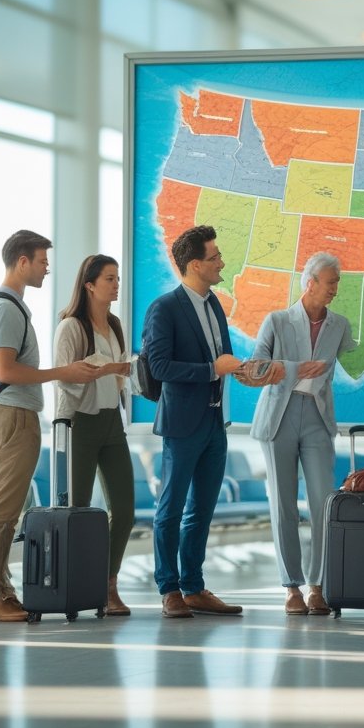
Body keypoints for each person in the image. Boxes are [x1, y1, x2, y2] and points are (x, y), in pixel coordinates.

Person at [0, 230, 102, 622]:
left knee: (9, 509)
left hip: (16, 416)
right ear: (22, 261)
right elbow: (5, 370)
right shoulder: (5, 309)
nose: (48, 268)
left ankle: (2, 589)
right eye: (43, 261)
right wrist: (63, 372)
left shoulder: (13, 307)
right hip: (10, 416)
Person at [142, 225, 253, 618]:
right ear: (194, 264)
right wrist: (210, 370)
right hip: (182, 423)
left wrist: (242, 370)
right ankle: (169, 588)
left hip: (215, 421)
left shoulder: (214, 305)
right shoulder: (165, 308)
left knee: (202, 508)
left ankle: (194, 586)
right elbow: (159, 366)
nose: (222, 262)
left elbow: (223, 359)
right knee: (171, 507)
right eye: (215, 256)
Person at [249, 252, 356, 616]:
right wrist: (295, 368)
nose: (335, 290)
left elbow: (359, 359)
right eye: (331, 283)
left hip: (317, 418)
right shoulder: (277, 321)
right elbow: (254, 369)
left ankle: (318, 586)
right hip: (277, 416)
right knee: (283, 506)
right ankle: (291, 587)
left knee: (323, 504)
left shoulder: (340, 326)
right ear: (310, 283)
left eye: (337, 283)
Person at [53, 254, 137, 617]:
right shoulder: (71, 327)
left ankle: (108, 584)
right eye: (109, 278)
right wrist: (108, 369)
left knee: (125, 508)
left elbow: (120, 380)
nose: (116, 284)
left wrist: (121, 374)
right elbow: (64, 377)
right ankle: (73, 585)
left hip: (111, 423)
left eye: (117, 278)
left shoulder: (115, 325)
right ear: (89, 284)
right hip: (79, 423)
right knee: (78, 509)